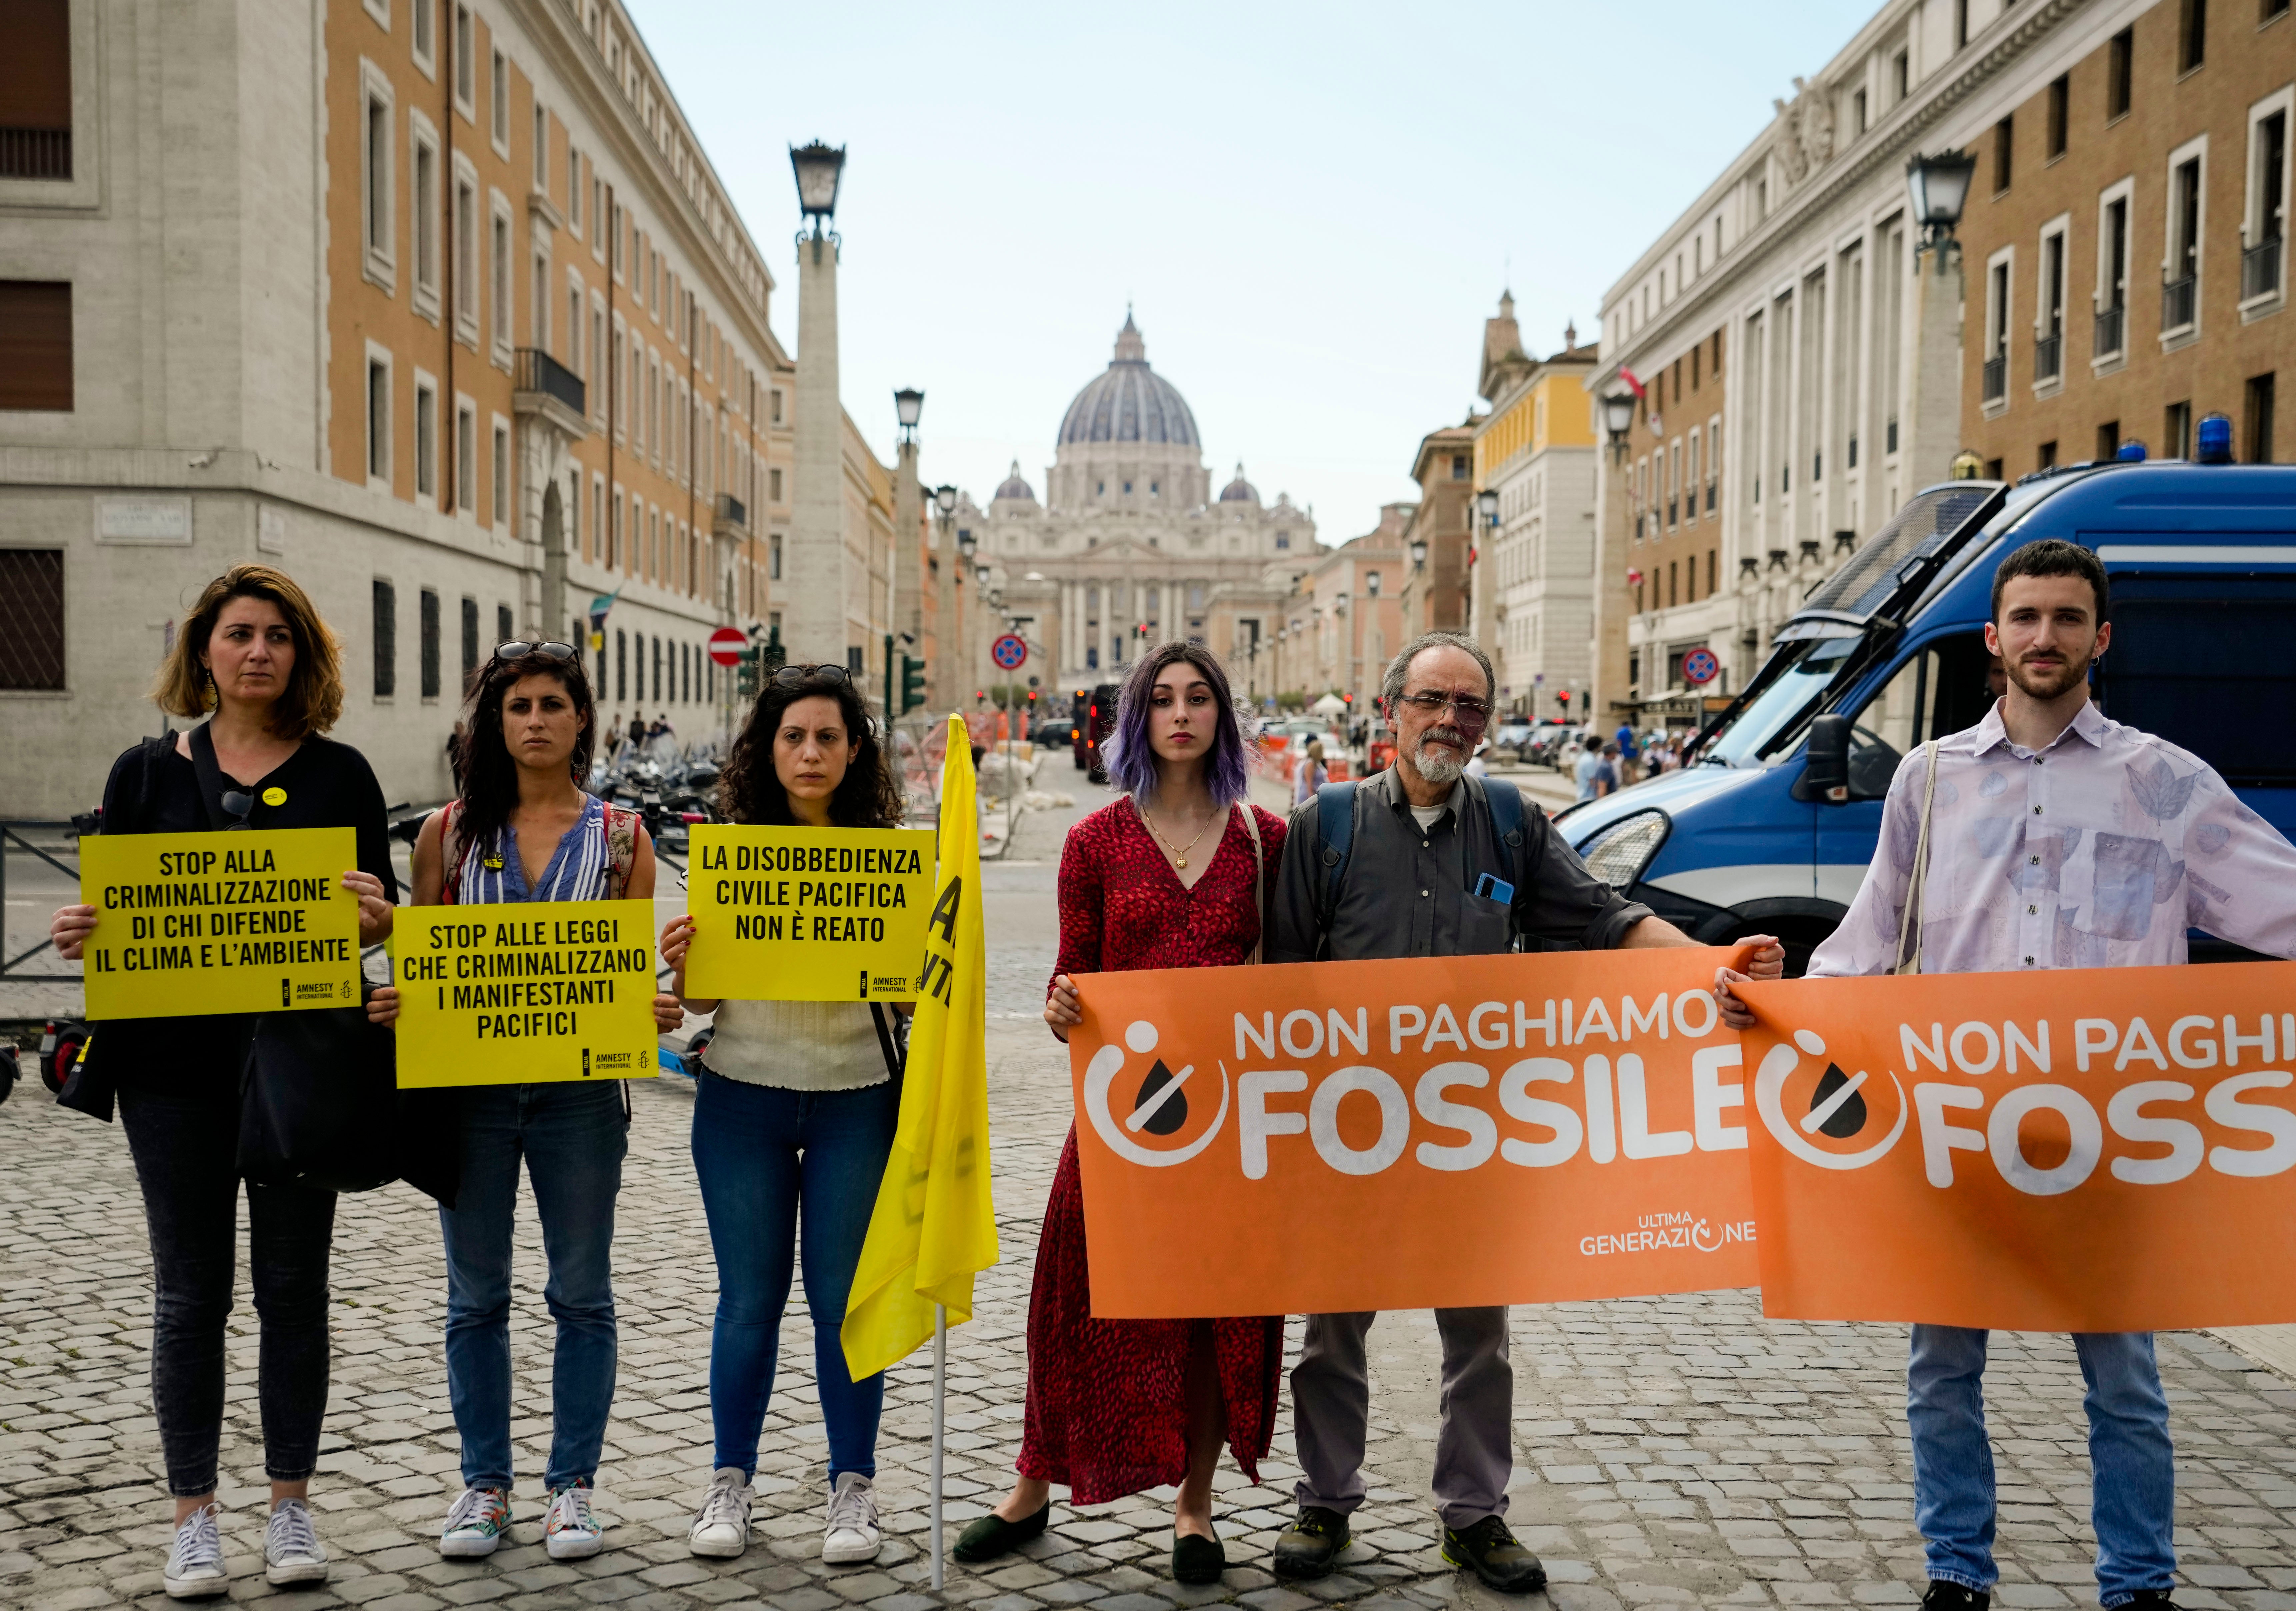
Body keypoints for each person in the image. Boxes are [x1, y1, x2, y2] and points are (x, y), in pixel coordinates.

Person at [1806, 540, 2296, 1611]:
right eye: (2024, 618)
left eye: (2066, 619)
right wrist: (1773, 1005)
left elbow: (2282, 902)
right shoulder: (1927, 782)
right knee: (1941, 1375)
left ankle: (2138, 1586)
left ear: (2099, 638)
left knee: (2124, 1383)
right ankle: (1957, 1575)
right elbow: (1868, 937)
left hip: (2108, 1137)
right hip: (1957, 1130)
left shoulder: (2165, 782)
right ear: (1992, 639)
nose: (2044, 639)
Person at [1261, 630, 1784, 1594]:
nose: (1450, 721)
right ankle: (1324, 1505)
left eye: (1469, 707)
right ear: (1391, 713)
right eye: (1432, 701)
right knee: (1333, 1330)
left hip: (1471, 1131)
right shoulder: (1324, 825)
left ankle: (1475, 1516)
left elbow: (1604, 916)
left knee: (1480, 1337)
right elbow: (1273, 981)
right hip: (1351, 1129)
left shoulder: (1509, 821)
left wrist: (1709, 965)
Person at [48, 565, 397, 1600]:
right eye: (239, 633)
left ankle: (290, 1509)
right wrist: (81, 931)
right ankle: (192, 1518)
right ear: (203, 649)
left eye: (278, 636)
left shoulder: (343, 778)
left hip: (299, 1070)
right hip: (170, 1075)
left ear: (303, 655)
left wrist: (380, 923)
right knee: (189, 1295)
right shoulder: (144, 774)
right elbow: (119, 912)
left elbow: (378, 928)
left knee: (295, 1293)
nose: (258, 652)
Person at [955, 642, 1286, 1587]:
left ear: (1223, 717)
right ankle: (1032, 1481)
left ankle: (1195, 1504)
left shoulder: (1269, 838)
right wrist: (1062, 1004)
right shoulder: (1094, 841)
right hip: (1123, 1117)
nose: (1180, 714)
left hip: (1230, 1122)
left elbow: (1301, 986)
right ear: (1135, 720)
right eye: (1161, 701)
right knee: (1073, 1297)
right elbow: (1073, 971)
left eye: (1199, 699)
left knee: (1216, 1314)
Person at [367, 642, 683, 1564]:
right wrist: (396, 1001)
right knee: (475, 1299)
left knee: (581, 1295)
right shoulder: (444, 836)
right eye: (519, 707)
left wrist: (654, 1005)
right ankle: (485, 1485)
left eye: (553, 704)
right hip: (467, 1098)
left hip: (581, 1098)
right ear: (493, 724)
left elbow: (629, 983)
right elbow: (417, 963)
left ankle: (572, 1488)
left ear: (582, 719)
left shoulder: (625, 839)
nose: (536, 720)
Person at [656, 664, 910, 1566]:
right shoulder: (730, 854)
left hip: (857, 1098)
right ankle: (730, 1481)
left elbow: (917, 997)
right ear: (767, 749)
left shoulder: (892, 857)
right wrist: (681, 962)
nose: (810, 752)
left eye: (828, 738)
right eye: (794, 737)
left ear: (854, 751)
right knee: (748, 1302)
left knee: (845, 1304)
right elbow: (697, 1004)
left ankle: (854, 1487)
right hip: (742, 1096)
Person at [1293, 736, 1328, 806]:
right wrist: (1312, 801)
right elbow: (1309, 783)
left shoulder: (1316, 763)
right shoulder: (1311, 764)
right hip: (1309, 797)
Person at [1571, 737, 1604, 802]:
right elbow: (1593, 781)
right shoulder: (1591, 761)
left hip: (1582, 796)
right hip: (1589, 798)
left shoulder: (1584, 757)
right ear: (1597, 747)